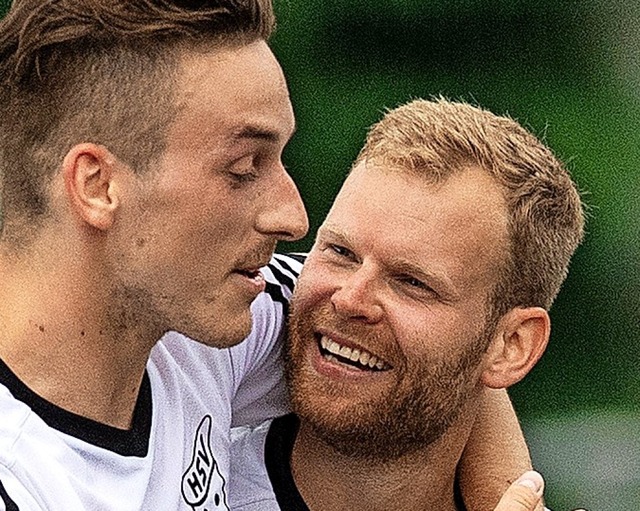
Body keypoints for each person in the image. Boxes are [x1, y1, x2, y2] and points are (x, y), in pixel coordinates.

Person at [0, 1, 554, 509]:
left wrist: (505, 490)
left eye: (279, 161)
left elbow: (447, 348)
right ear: (97, 186)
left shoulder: (198, 332)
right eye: (244, 168)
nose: (293, 217)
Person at [229, 98, 585, 511]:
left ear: (512, 345)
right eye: (340, 252)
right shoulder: (177, 477)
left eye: (412, 283)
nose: (350, 299)